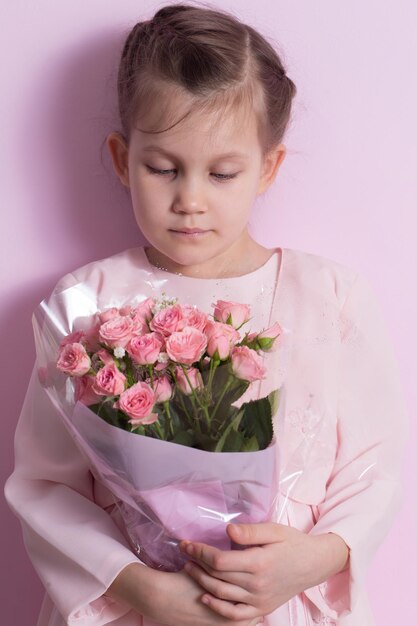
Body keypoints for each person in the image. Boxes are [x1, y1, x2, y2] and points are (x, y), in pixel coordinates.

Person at [4, 3, 408, 626]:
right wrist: (143, 588)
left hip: (281, 608)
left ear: (268, 168)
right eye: (162, 168)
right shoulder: (85, 303)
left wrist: (314, 557)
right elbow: (46, 484)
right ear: (120, 159)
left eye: (223, 173)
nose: (190, 200)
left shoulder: (329, 295)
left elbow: (375, 466)